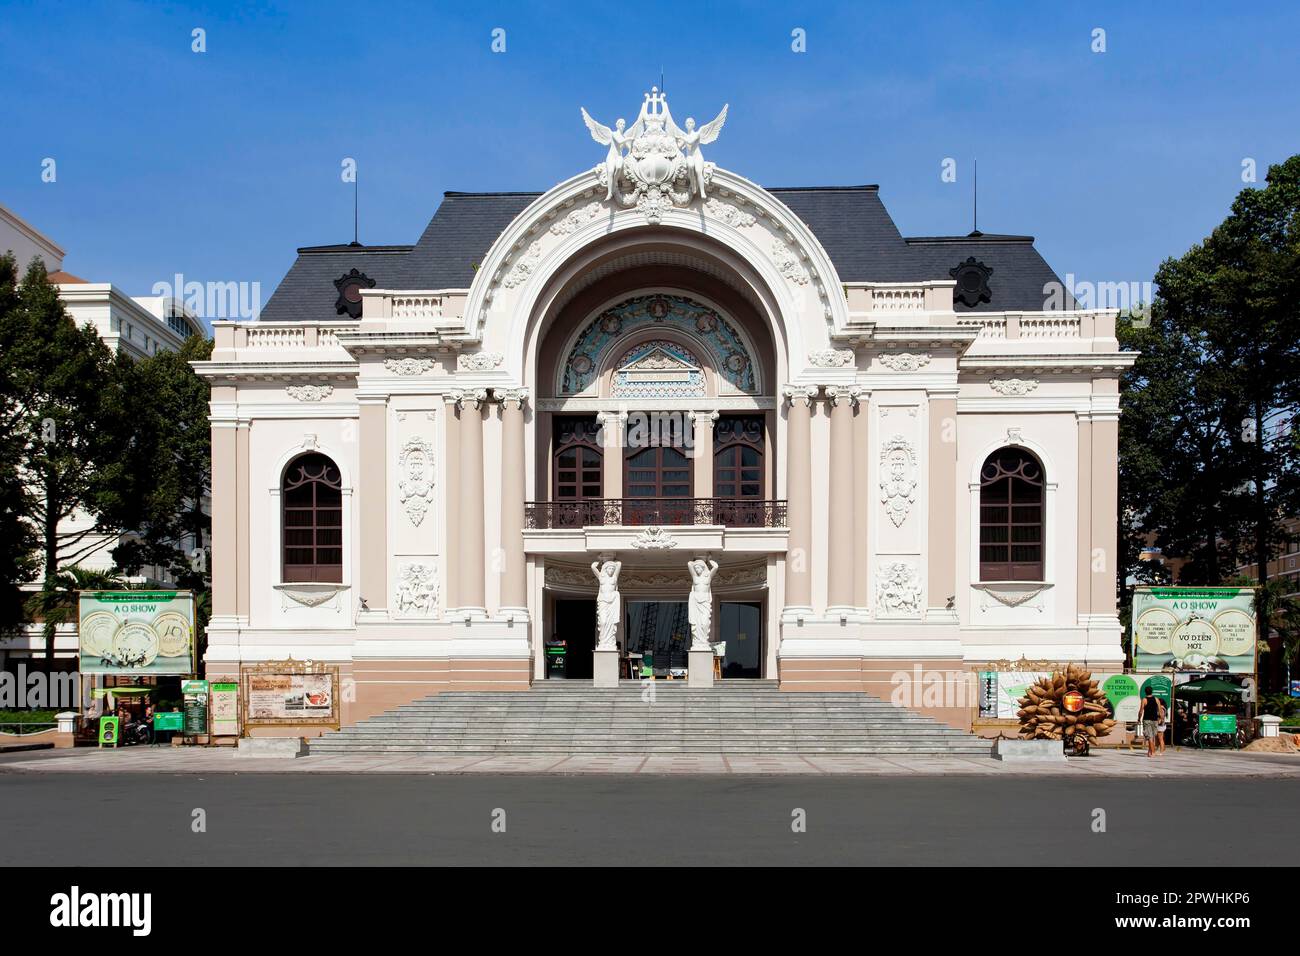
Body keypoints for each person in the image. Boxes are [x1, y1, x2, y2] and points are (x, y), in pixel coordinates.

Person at [1140, 688, 1163, 757]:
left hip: (1147, 720)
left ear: (1145, 692)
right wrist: (1161, 719)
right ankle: (1149, 752)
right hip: (1155, 720)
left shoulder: (1144, 700)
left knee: (1149, 737)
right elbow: (1160, 710)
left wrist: (1138, 718)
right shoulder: (1156, 699)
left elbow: (1141, 711)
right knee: (1152, 736)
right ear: (1152, 692)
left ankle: (1153, 752)